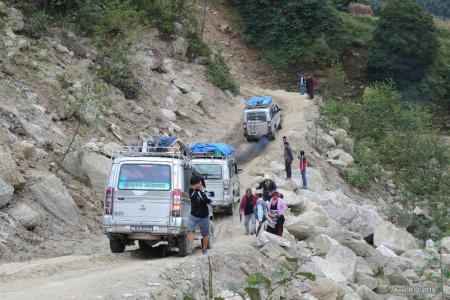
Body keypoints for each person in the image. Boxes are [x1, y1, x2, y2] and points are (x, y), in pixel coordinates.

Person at [187, 175, 211, 255]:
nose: (191, 187)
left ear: (198, 184)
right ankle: (191, 247)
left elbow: (208, 201)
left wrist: (202, 190)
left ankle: (204, 249)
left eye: (193, 185)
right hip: (193, 215)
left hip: (204, 216)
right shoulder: (191, 191)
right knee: (190, 230)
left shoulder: (204, 191)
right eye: (191, 185)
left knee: (205, 234)